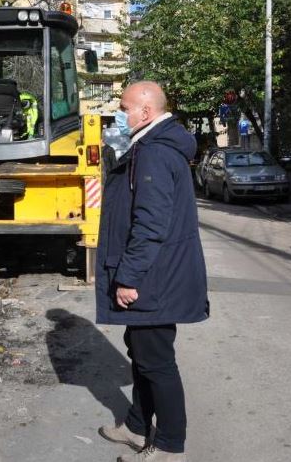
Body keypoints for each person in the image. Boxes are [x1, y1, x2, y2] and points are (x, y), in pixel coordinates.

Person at [95, 81, 208, 462]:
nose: (117, 115)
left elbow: (150, 224)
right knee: (142, 353)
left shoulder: (155, 155)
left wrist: (129, 277)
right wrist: (115, 136)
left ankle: (171, 446)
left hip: (153, 279)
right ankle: (136, 425)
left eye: (123, 108)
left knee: (157, 361)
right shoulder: (144, 146)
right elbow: (111, 164)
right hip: (156, 277)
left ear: (145, 113)